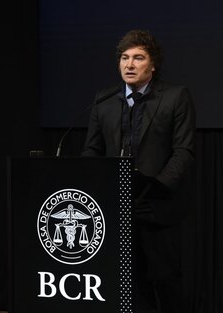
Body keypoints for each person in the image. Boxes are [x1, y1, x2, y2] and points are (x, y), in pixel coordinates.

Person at [82, 29, 196, 313]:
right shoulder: (104, 100)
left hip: (156, 206)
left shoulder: (175, 97)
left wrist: (155, 188)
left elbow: (184, 151)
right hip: (114, 207)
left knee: (164, 280)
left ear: (153, 65)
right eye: (124, 57)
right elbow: (91, 151)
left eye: (138, 58)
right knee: (125, 282)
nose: (129, 64)